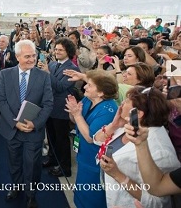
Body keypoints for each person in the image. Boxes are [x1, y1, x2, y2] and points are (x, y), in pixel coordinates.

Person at [97, 87, 180, 207]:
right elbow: (97, 140)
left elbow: (158, 202)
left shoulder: (160, 151)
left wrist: (117, 175)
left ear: (138, 113)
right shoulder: (130, 126)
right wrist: (115, 125)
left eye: (126, 101)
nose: (122, 103)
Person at [0, 40, 54, 208]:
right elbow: (1, 101)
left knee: (32, 164)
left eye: (34, 56)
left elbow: (48, 104)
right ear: (17, 57)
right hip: (11, 128)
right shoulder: (5, 75)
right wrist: (15, 123)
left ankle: (31, 194)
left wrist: (35, 124)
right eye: (27, 56)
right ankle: (16, 186)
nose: (32, 59)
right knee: (14, 162)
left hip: (33, 130)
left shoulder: (43, 77)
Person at [65, 70, 118, 208]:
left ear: (101, 92)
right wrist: (73, 112)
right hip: (83, 157)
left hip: (95, 162)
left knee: (92, 198)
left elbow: (90, 138)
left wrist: (77, 115)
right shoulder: (88, 99)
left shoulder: (108, 110)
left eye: (89, 85)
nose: (85, 87)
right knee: (81, 194)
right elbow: (76, 120)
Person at [38, 38, 80, 177]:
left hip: (61, 108)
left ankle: (64, 167)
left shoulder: (73, 68)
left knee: (61, 139)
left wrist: (47, 73)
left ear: (68, 51)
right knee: (51, 137)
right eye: (56, 49)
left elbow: (61, 87)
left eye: (60, 50)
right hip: (49, 106)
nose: (57, 52)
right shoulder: (52, 64)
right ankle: (52, 158)